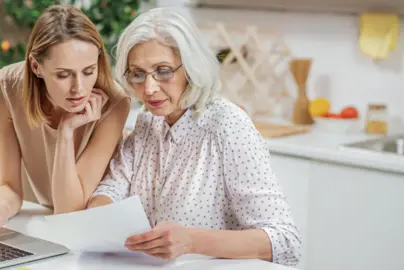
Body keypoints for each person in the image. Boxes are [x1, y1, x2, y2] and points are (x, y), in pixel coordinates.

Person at [87, 7, 301, 266]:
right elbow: (113, 185)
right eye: (138, 74)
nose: (149, 88)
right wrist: (98, 214)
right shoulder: (148, 120)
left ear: (190, 67)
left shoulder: (227, 125)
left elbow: (285, 241)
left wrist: (190, 240)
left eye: (163, 70)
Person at [0, 4, 130, 244]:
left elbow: (70, 213)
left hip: (97, 231)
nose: (79, 88)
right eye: (63, 75)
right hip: (50, 223)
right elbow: (10, 186)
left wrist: (65, 132)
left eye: (88, 71)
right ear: (36, 66)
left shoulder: (114, 103)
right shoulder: (3, 89)